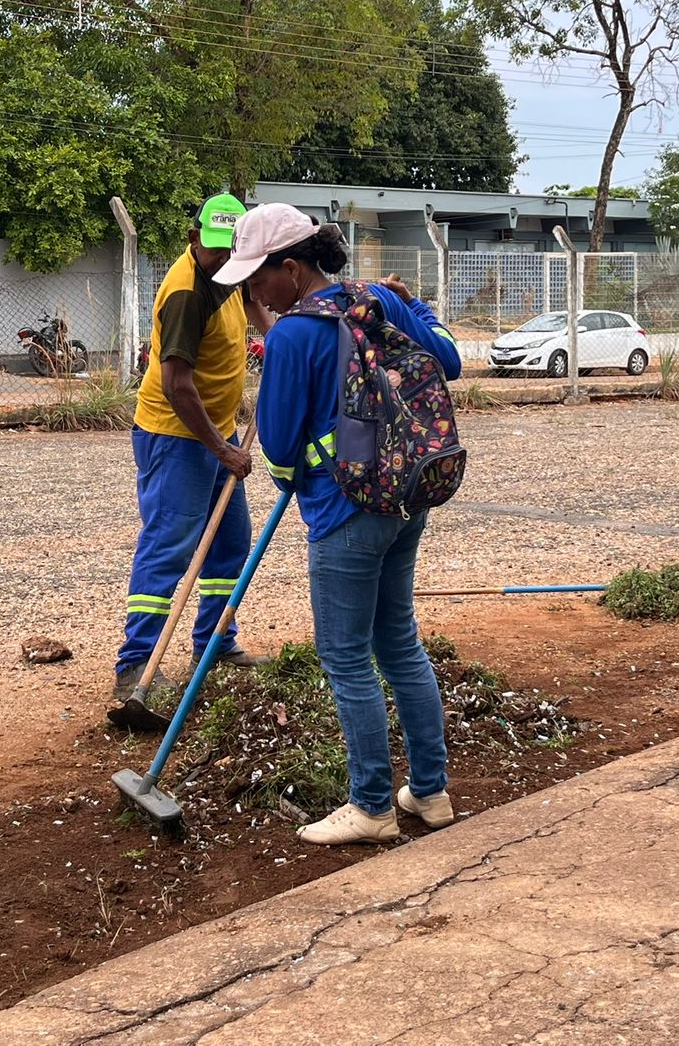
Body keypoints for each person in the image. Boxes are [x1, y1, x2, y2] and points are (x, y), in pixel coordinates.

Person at [216, 203, 462, 846]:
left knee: (346, 657)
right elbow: (449, 361)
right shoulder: (379, 298)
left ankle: (372, 805)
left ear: (291, 268)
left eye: (256, 277)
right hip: (408, 495)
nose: (252, 290)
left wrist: (293, 479)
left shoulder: (293, 336)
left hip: (343, 511)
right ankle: (430, 794)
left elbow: (276, 441)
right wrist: (419, 306)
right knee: (398, 643)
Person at [115, 194, 274, 702]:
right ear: (193, 240)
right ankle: (136, 665)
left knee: (230, 544)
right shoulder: (185, 292)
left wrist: (281, 338)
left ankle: (215, 643)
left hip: (216, 429)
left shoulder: (232, 271)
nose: (224, 260)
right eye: (215, 251)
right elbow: (176, 385)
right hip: (177, 434)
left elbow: (252, 301)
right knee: (169, 546)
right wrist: (223, 450)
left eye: (232, 250)